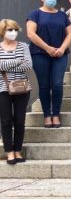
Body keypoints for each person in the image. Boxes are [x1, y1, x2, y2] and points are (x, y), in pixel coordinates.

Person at [26, 0, 71, 128]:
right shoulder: (35, 14)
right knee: (44, 86)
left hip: (60, 54)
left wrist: (62, 48)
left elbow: (70, 33)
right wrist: (47, 48)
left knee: (57, 85)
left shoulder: (63, 16)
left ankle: (56, 114)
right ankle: (47, 115)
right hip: (40, 54)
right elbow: (31, 34)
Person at [0, 19, 33, 165]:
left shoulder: (23, 46)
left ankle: (18, 150)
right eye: (9, 30)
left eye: (15, 29)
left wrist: (6, 66)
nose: (13, 32)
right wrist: (17, 61)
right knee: (6, 120)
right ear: (2, 32)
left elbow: (28, 66)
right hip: (3, 88)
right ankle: (9, 152)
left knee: (20, 120)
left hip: (22, 88)